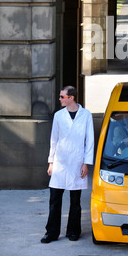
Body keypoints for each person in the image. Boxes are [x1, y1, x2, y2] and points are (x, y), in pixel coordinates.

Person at [41, 86, 94, 243]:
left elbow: (89, 141)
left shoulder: (86, 115)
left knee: (75, 201)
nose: (60, 99)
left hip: (77, 162)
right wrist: (51, 162)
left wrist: (86, 163)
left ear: (71, 98)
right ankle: (51, 233)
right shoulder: (58, 116)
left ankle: (73, 231)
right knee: (55, 200)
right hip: (60, 162)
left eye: (62, 97)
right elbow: (54, 140)